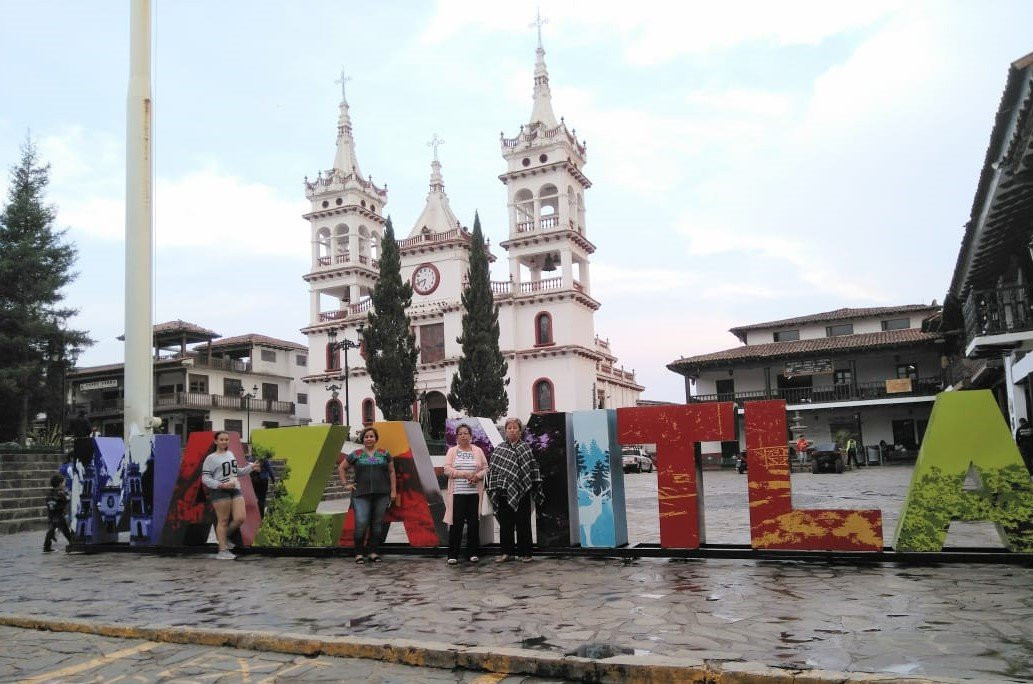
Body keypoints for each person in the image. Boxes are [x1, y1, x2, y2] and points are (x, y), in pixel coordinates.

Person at [486, 417, 543, 563]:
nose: (512, 430)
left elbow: (531, 468)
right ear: (505, 431)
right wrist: (495, 487)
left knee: (523, 523)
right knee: (505, 523)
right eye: (509, 428)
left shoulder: (525, 448)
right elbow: (493, 470)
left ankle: (526, 553)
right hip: (504, 492)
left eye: (515, 428)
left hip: (522, 491)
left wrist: (532, 486)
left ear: (520, 430)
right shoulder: (499, 449)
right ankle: (506, 552)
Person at [338, 426, 397, 564]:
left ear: (376, 439)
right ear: (362, 439)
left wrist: (393, 491)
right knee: (361, 523)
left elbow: (392, 472)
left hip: (382, 494)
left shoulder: (384, 454)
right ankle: (358, 553)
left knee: (377, 525)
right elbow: (341, 467)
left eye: (371, 436)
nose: (369, 438)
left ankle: (373, 552)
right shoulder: (356, 454)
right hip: (361, 495)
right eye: (366, 436)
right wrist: (345, 484)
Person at [201, 431, 257, 560]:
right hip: (220, 491)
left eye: (226, 439)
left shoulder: (230, 454)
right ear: (215, 441)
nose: (224, 442)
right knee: (223, 520)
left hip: (235, 488)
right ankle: (223, 550)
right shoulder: (211, 458)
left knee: (240, 518)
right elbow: (205, 478)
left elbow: (236, 472)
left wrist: (251, 467)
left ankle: (223, 538)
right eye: (221, 439)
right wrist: (221, 485)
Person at [443, 423, 489, 565]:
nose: (463, 436)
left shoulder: (478, 451)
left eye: (466, 433)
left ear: (471, 436)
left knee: (473, 524)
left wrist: (477, 476)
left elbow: (486, 468)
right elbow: (446, 470)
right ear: (457, 437)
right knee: (456, 524)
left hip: (474, 494)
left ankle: (473, 553)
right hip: (457, 493)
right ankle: (453, 554)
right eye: (460, 433)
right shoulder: (452, 451)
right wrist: (464, 474)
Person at [43, 474, 73, 553]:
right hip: (59, 515)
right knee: (65, 531)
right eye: (63, 483)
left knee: (50, 531)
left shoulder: (49, 493)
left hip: (51, 515)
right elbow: (67, 499)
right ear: (60, 484)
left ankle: (46, 546)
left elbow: (47, 501)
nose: (64, 484)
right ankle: (72, 543)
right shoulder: (61, 493)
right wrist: (67, 494)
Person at [250, 451, 276, 517]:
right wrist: (273, 480)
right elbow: (270, 470)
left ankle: (255, 514)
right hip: (263, 481)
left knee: (256, 497)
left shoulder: (251, 459)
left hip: (254, 481)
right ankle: (260, 516)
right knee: (262, 499)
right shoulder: (264, 460)